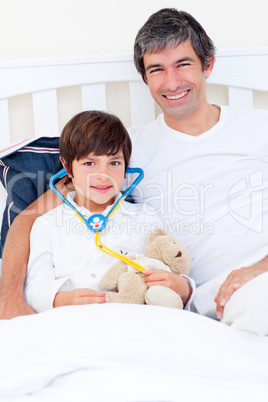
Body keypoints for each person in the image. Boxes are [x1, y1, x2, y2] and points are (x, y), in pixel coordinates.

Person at [0, 8, 267, 334]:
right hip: (181, 306)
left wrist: (257, 270)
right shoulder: (122, 152)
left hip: (257, 285)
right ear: (145, 78)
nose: (171, 83)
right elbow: (28, 219)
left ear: (207, 64)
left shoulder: (260, 128)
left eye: (183, 64)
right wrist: (9, 301)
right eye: (157, 69)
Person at [22, 110, 191, 312]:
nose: (103, 175)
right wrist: (61, 299)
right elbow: (34, 286)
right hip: (74, 320)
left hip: (134, 319)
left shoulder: (145, 216)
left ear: (126, 166)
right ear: (67, 168)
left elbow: (169, 262)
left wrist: (185, 286)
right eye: (89, 163)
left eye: (114, 163)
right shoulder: (46, 224)